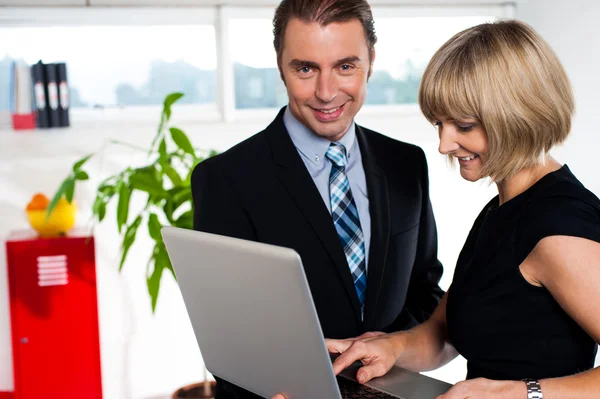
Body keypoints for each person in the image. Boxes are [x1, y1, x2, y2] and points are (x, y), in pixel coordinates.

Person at [285, 19, 600, 399]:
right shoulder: (502, 209)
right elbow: (445, 330)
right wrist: (392, 347)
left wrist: (521, 393)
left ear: (519, 116)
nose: (444, 144)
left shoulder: (559, 230)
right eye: (439, 123)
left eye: (464, 126)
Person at [191, 0, 444, 398]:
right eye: (305, 69)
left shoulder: (406, 163)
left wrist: (394, 350)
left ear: (371, 61)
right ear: (280, 65)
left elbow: (426, 290)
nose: (326, 93)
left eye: (345, 66)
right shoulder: (226, 179)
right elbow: (228, 335)